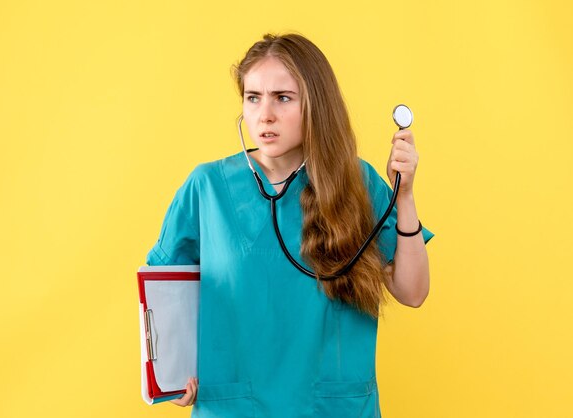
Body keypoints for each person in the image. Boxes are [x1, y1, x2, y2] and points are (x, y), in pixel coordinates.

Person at [145, 32, 434, 418]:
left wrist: (406, 196)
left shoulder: (356, 182)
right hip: (235, 407)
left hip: (332, 408)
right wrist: (172, 375)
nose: (265, 114)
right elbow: (162, 292)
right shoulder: (207, 188)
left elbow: (412, 292)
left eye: (283, 98)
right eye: (253, 98)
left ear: (316, 106)